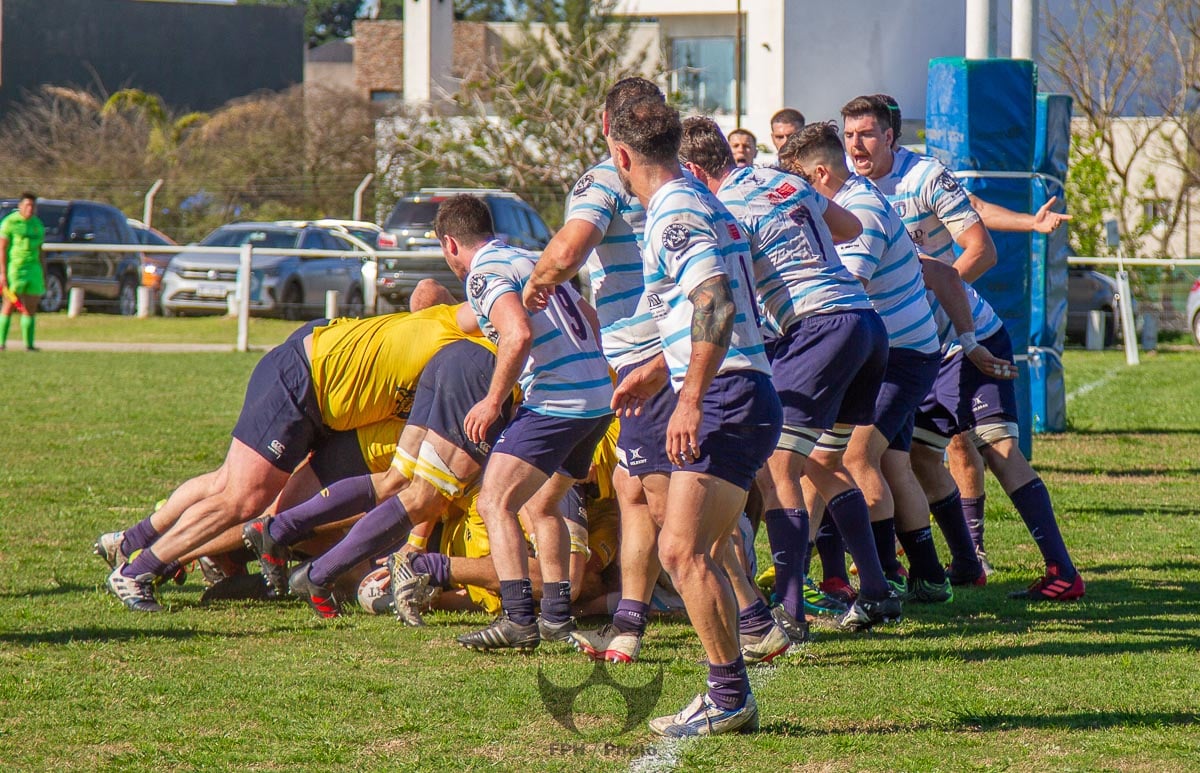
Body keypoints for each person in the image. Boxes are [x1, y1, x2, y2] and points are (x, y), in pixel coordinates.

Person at [101, 298, 491, 612]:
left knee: (236, 489)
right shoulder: (472, 331)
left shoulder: (482, 366)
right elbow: (429, 291)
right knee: (246, 499)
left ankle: (134, 541)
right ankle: (140, 568)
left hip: (331, 408)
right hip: (307, 380)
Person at [677, 117, 902, 635]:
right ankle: (875, 589)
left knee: (778, 467)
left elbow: (726, 295)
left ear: (692, 170)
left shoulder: (721, 208)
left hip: (818, 326)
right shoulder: (785, 180)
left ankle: (791, 610)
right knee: (825, 460)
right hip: (865, 323)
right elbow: (851, 229)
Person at [778, 123, 1016, 601]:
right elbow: (936, 274)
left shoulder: (859, 209)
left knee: (849, 458)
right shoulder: (857, 199)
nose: (796, 196)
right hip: (893, 349)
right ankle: (925, 575)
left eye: (801, 183)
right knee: (888, 461)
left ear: (820, 174)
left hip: (899, 355)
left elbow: (845, 291)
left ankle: (881, 575)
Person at [608, 97, 782, 736]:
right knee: (694, 549)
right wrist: (658, 371)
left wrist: (688, 397)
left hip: (724, 398)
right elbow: (751, 296)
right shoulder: (709, 200)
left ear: (621, 154)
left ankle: (730, 698)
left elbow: (715, 299)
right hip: (742, 392)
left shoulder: (672, 210)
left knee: (681, 551)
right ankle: (733, 684)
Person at [522, 76, 674, 665]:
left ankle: (752, 616)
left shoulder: (607, 176)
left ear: (609, 128)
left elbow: (568, 249)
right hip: (700, 349)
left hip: (647, 356)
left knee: (657, 495)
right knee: (640, 488)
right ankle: (635, 617)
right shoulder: (682, 178)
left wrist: (539, 282)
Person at [438, 194, 614, 652]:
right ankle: (556, 617)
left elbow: (517, 334)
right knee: (542, 505)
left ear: (450, 244)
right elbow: (591, 319)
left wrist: (492, 401)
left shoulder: (484, 273)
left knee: (494, 503)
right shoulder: (527, 259)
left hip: (559, 401)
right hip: (596, 398)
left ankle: (519, 620)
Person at [0, 192, 46, 352]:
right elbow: (2, 249)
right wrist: (2, 272)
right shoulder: (10, 223)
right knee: (10, 303)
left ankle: (29, 344)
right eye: (27, 205)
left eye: (33, 205)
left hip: (33, 269)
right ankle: (1, 343)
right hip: (15, 269)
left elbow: (41, 250)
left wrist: (43, 271)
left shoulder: (37, 225)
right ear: (20, 206)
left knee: (31, 306)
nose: (30, 208)